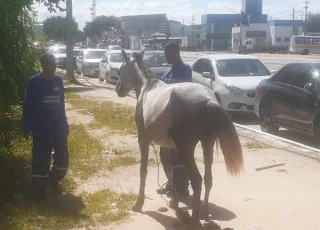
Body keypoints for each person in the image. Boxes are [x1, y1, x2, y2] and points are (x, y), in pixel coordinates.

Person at [22, 53, 69, 201]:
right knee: (41, 158)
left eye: (54, 65)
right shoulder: (34, 81)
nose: (53, 68)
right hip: (41, 128)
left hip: (58, 126)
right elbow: (28, 105)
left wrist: (65, 122)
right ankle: (39, 190)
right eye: (49, 65)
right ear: (43, 66)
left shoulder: (58, 80)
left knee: (62, 156)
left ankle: (53, 180)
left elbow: (61, 103)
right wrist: (26, 125)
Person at [157, 42, 192, 197]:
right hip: (166, 120)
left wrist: (163, 82)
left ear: (176, 53)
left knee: (179, 157)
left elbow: (183, 86)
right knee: (164, 155)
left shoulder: (185, 69)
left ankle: (182, 186)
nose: (166, 57)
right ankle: (171, 183)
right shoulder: (166, 71)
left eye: (168, 54)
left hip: (180, 121)